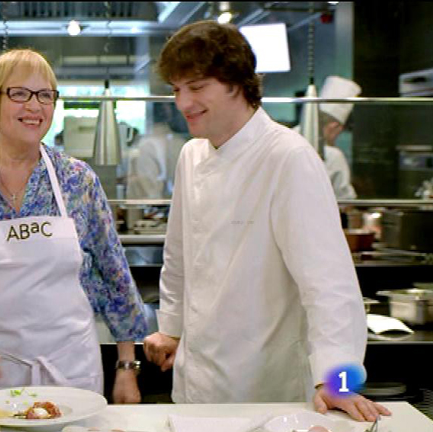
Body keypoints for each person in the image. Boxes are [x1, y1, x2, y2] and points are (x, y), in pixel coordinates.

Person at [142, 21, 391, 422]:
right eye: (176, 89)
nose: (183, 102)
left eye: (197, 86)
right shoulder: (192, 155)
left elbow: (330, 287)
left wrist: (338, 381)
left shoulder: (287, 157)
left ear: (237, 82)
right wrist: (171, 328)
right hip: (195, 383)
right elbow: (179, 257)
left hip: (267, 391)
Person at [0, 48, 148, 404]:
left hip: (67, 374)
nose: (35, 106)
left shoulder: (77, 180)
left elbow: (115, 276)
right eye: (20, 94)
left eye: (45, 95)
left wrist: (127, 367)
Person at [295, 76, 360, 200]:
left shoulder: (287, 136)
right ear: (334, 126)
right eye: (339, 132)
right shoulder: (333, 156)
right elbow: (345, 201)